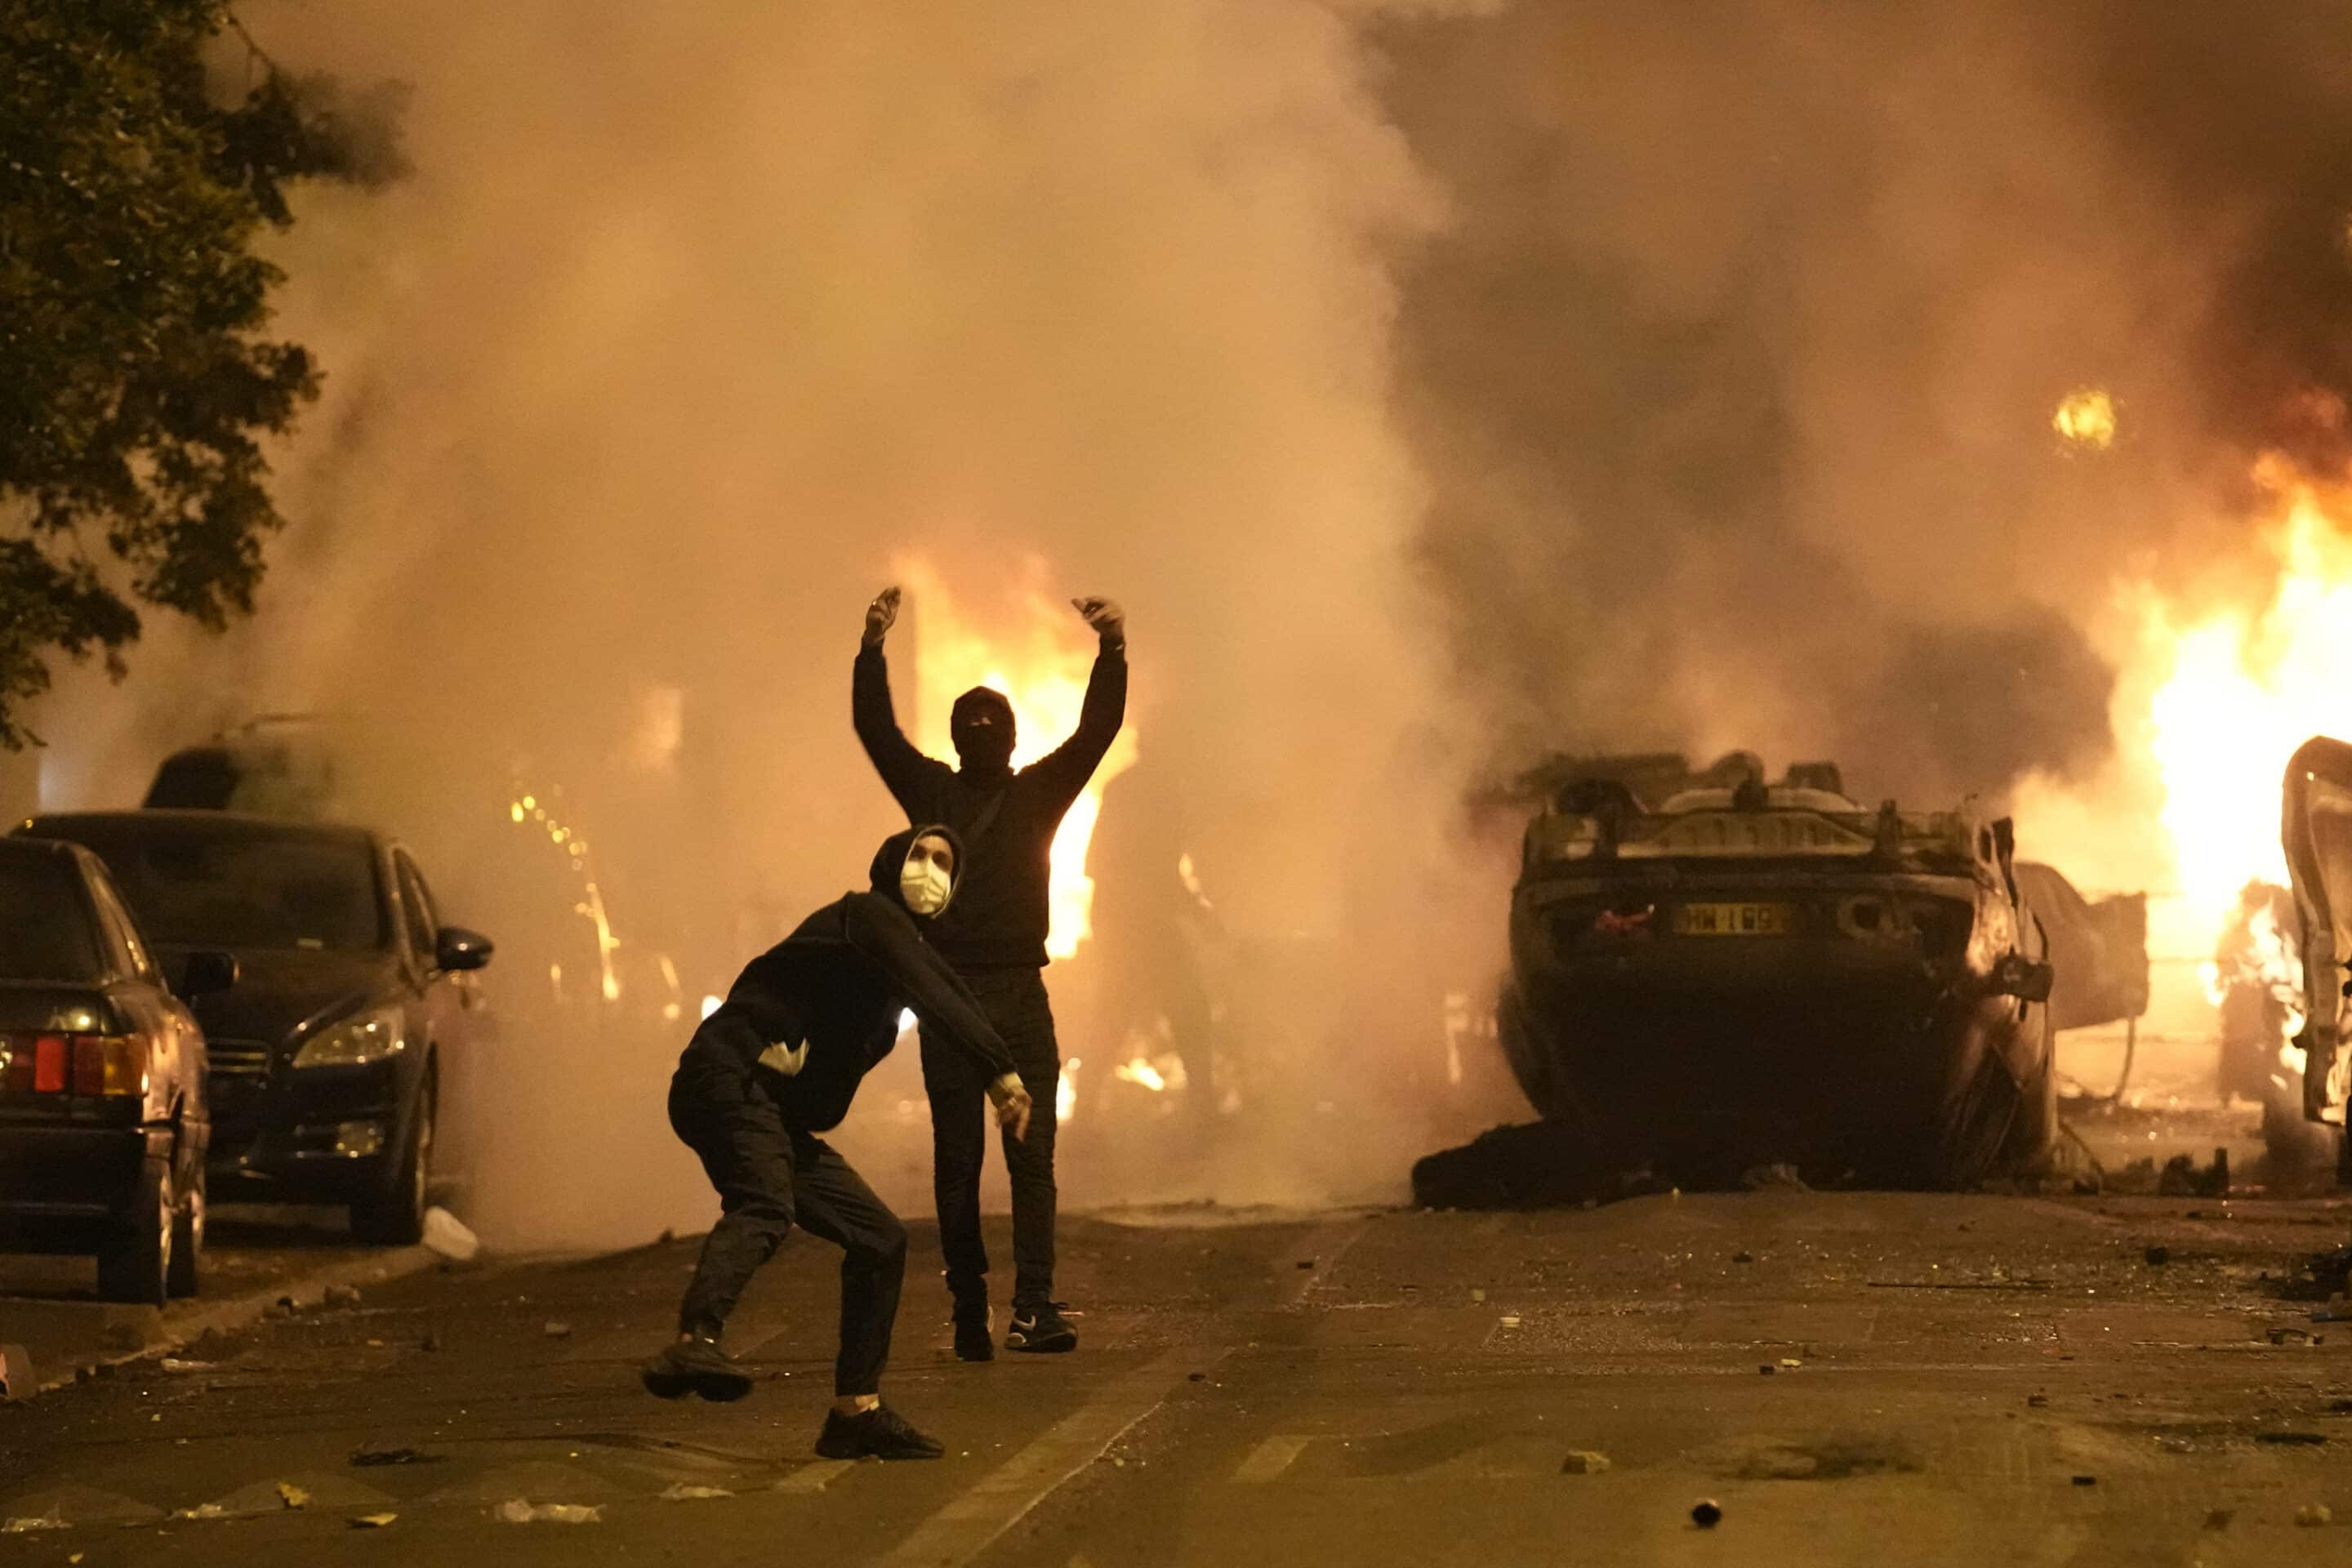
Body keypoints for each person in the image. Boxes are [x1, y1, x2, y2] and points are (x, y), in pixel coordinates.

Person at [641, 826, 1034, 1461]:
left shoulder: (884, 992)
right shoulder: (866, 916)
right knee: (765, 1204)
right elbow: (940, 990)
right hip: (727, 1077)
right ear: (891, 861)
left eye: (944, 865)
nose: (930, 871)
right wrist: (1002, 1074)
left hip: (767, 1107)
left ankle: (855, 1411)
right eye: (921, 856)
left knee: (879, 1239)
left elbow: (909, 1007)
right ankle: (695, 1337)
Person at [853, 583, 1126, 1359]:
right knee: (1031, 1163)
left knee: (957, 1164)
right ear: (1009, 742)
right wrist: (1112, 648)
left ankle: (970, 1309)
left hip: (945, 1005)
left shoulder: (930, 791)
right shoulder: (1037, 792)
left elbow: (877, 731)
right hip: (1015, 1002)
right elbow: (1097, 729)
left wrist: (872, 649)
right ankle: (1031, 1307)